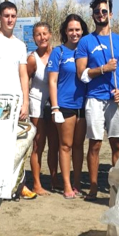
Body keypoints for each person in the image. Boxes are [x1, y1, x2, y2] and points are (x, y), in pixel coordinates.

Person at [75, 0, 119, 201]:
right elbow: (81, 73)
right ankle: (93, 185)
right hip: (94, 99)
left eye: (104, 11)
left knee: (117, 143)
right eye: (97, 12)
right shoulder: (86, 42)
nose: (101, 15)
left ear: (111, 14)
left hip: (116, 99)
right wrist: (103, 69)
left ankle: (116, 186)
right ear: (93, 15)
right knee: (95, 144)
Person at [49, 15, 89, 200]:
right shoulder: (59, 52)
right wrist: (55, 107)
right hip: (64, 105)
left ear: (83, 31)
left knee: (79, 146)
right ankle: (66, 184)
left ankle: (77, 182)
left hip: (84, 104)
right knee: (65, 146)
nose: (74, 33)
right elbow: (53, 80)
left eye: (78, 29)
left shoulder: (87, 50)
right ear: (65, 31)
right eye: (71, 29)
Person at [22, 22, 59, 198]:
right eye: (38, 34)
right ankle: (36, 183)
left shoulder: (58, 54)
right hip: (37, 102)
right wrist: (25, 103)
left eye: (45, 33)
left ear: (50, 34)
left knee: (55, 143)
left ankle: (54, 180)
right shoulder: (32, 58)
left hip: (55, 104)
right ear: (33, 38)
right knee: (39, 143)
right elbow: (25, 81)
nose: (42, 37)